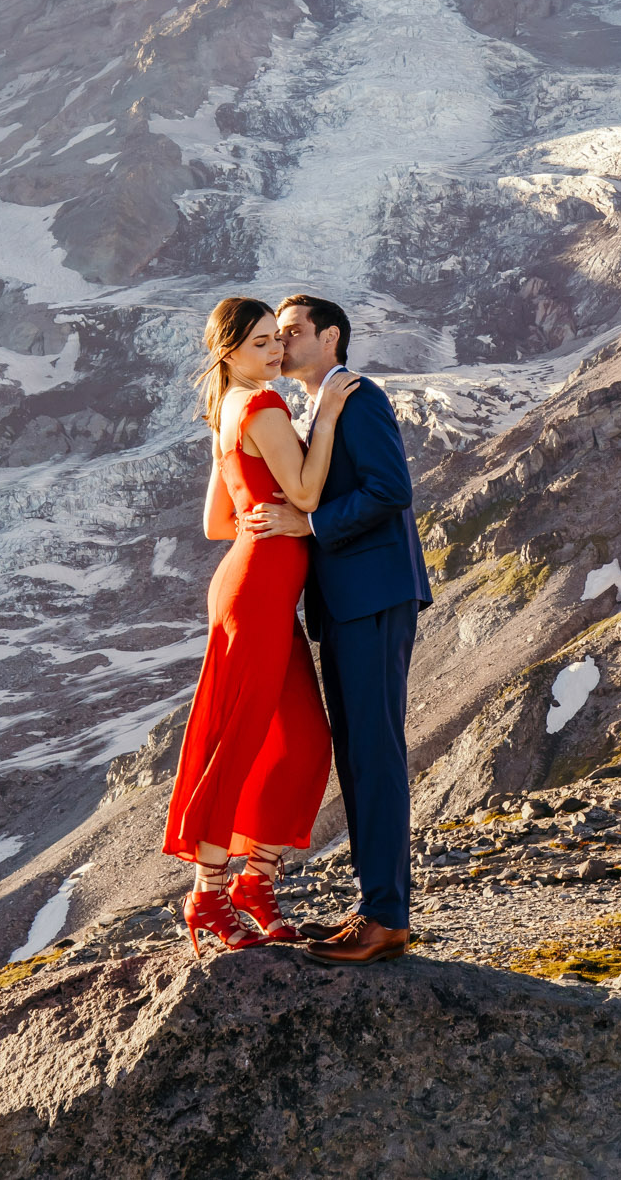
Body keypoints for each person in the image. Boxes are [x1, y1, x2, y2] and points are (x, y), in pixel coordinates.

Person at [161, 296, 358, 955]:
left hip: (260, 590)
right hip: (255, 594)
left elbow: (218, 523)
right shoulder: (263, 406)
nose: (275, 352)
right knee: (240, 741)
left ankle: (254, 884)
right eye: (260, 344)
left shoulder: (229, 411)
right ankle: (207, 895)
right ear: (229, 352)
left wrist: (262, 514)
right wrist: (324, 417)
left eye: (278, 339)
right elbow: (304, 492)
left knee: (303, 739)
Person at [245, 293, 433, 966]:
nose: (281, 341)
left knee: (374, 752)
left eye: (292, 330)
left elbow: (391, 489)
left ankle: (385, 915)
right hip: (352, 602)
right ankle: (375, 906)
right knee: (359, 753)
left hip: (376, 595)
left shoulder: (358, 396)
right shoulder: (321, 403)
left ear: (330, 337)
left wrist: (311, 525)